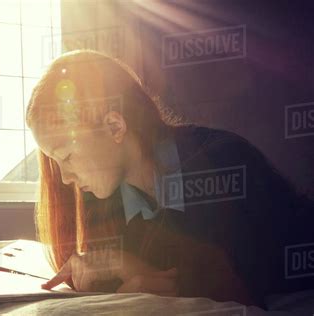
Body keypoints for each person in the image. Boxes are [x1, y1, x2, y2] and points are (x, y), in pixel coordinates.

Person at [25, 50, 314, 308]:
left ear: (114, 126)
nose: (64, 178)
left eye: (67, 157)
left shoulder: (224, 163)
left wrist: (133, 271)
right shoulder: (111, 201)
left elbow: (244, 295)